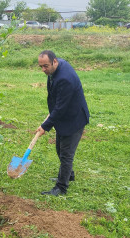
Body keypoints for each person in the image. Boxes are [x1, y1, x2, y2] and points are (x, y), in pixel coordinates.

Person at [36, 50, 89, 196]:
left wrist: (45, 126)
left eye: (46, 66)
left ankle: (61, 187)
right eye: (41, 66)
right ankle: (68, 175)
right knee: (60, 149)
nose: (43, 70)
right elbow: (57, 101)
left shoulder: (65, 78)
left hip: (73, 118)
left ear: (54, 61)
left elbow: (61, 108)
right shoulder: (57, 67)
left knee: (66, 154)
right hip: (64, 116)